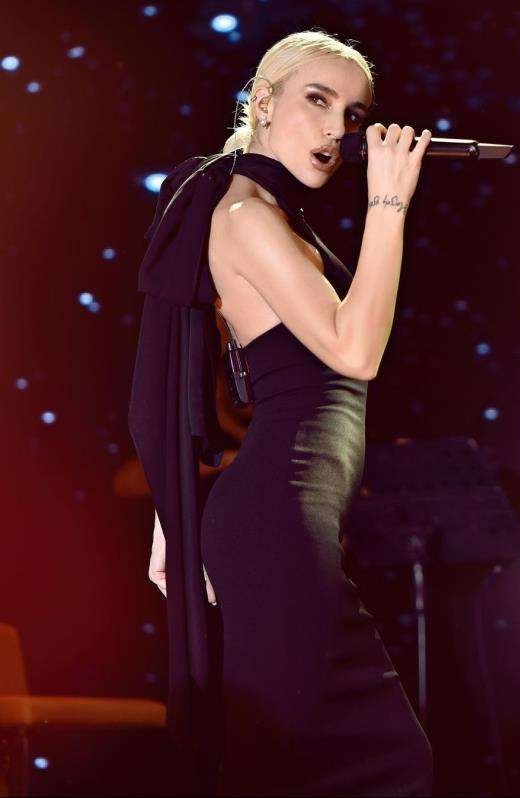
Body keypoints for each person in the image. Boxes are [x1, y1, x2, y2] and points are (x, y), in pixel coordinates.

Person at [130, 29, 432, 796]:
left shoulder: (269, 211)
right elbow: (355, 351)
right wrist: (389, 202)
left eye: (355, 114)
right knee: (362, 763)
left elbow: (194, 369)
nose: (339, 129)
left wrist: (176, 508)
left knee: (295, 765)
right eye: (317, 100)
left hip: (284, 519)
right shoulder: (245, 213)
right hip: (276, 522)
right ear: (263, 101)